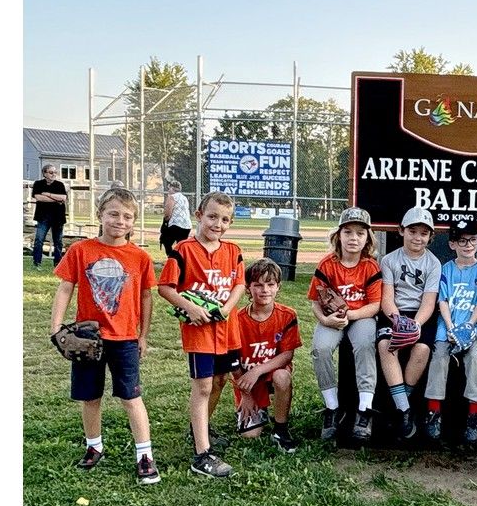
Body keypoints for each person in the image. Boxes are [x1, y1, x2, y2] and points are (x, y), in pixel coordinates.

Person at [49, 188, 160, 484]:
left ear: (134, 221)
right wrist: (56, 326)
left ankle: (144, 454)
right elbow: (65, 288)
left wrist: (143, 335)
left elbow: (147, 297)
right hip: (88, 336)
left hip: (124, 337)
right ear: (100, 215)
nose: (119, 221)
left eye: (127, 216)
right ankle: (94, 446)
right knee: (90, 396)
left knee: (131, 396)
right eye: (113, 214)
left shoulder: (139, 257)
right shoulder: (81, 251)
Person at [158, 191, 246, 477]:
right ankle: (202, 454)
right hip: (200, 333)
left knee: (220, 380)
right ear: (198, 215)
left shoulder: (233, 251)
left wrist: (228, 308)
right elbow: (166, 287)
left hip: (226, 329)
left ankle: (200, 429)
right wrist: (191, 307)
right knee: (203, 386)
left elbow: (239, 285)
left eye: (224, 219)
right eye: (212, 217)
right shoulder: (183, 250)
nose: (217, 224)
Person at [308, 207, 382, 441]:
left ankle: (364, 409)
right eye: (348, 232)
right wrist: (325, 319)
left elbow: (375, 305)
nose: (353, 238)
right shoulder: (328, 264)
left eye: (360, 233)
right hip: (333, 318)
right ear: (338, 235)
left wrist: (350, 315)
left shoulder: (370, 266)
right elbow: (315, 301)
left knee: (364, 345)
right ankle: (332, 407)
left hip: (359, 316)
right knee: (320, 349)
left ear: (367, 238)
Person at [423, 217, 477, 446]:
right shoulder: (446, 269)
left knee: (475, 359)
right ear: (452, 244)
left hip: (473, 326)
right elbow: (442, 300)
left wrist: (468, 326)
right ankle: (433, 413)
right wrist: (452, 327)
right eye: (462, 240)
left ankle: (475, 416)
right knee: (439, 357)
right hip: (448, 325)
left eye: (473, 239)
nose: (468, 245)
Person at [377, 207, 442, 440]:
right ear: (401, 230)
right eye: (412, 231)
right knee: (386, 346)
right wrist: (397, 320)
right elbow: (386, 298)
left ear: (430, 237)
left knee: (422, 348)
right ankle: (404, 409)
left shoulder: (433, 264)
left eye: (424, 233)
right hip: (395, 312)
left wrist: (414, 325)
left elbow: (428, 301)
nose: (417, 237)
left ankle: (400, 401)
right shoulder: (389, 260)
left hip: (420, 315)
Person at [232, 258, 303, 452]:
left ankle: (281, 429)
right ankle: (256, 408)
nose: (265, 290)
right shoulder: (236, 319)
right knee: (250, 436)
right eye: (258, 285)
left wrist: (258, 370)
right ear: (248, 288)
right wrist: (245, 394)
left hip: (271, 371)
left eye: (270, 284)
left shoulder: (287, 315)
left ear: (278, 287)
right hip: (246, 378)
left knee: (282, 376)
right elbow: (232, 360)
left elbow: (287, 354)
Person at [32, 164, 68, 268]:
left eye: (55, 172)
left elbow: (63, 198)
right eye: (51, 172)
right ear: (45, 173)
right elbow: (39, 198)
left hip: (58, 217)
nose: (53, 174)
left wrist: (48, 194)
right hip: (43, 217)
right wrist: (56, 199)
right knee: (39, 240)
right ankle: (37, 263)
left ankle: (58, 264)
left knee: (58, 242)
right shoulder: (38, 184)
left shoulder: (60, 185)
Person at [160, 180, 193, 257]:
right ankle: (182, 261)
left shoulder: (172, 197)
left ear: (172, 188)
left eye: (169, 188)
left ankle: (173, 259)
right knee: (181, 245)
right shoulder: (184, 198)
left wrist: (165, 222)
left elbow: (168, 214)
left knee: (166, 241)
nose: (168, 190)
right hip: (186, 225)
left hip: (176, 224)